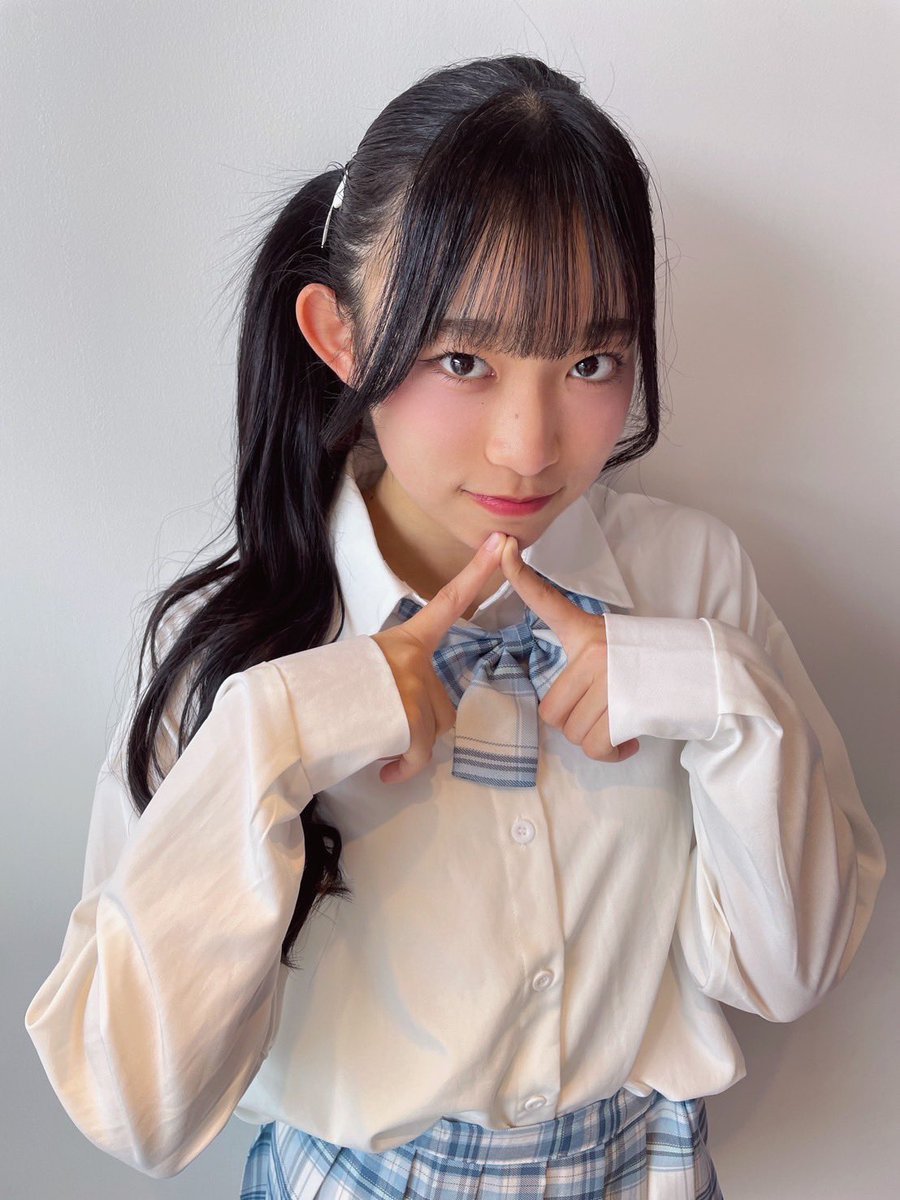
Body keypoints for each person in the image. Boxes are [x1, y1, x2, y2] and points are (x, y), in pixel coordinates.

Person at [24, 53, 885, 1200]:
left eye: (590, 360)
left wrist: (718, 695)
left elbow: (788, 974)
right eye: (463, 358)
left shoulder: (692, 578)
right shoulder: (240, 643)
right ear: (338, 334)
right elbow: (138, 1108)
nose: (529, 448)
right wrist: (278, 737)